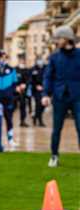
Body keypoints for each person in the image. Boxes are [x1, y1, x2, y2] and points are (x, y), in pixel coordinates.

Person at [42, 25, 80, 168]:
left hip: (78, 97)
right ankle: (54, 156)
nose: (56, 41)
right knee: (56, 129)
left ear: (67, 38)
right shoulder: (54, 57)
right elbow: (48, 77)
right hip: (59, 97)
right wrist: (46, 94)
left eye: (58, 38)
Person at [30, 58, 46, 127]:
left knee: (44, 105)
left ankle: (35, 116)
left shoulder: (46, 68)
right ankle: (40, 121)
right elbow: (31, 80)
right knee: (38, 104)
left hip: (44, 89)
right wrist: (36, 86)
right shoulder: (33, 69)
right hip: (36, 90)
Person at [15, 55, 30, 127]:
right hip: (15, 91)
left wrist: (25, 85)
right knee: (12, 106)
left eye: (23, 60)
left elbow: (29, 80)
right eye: (20, 60)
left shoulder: (27, 70)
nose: (22, 61)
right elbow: (12, 79)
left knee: (23, 106)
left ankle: (22, 121)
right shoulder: (15, 69)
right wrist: (16, 86)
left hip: (23, 91)